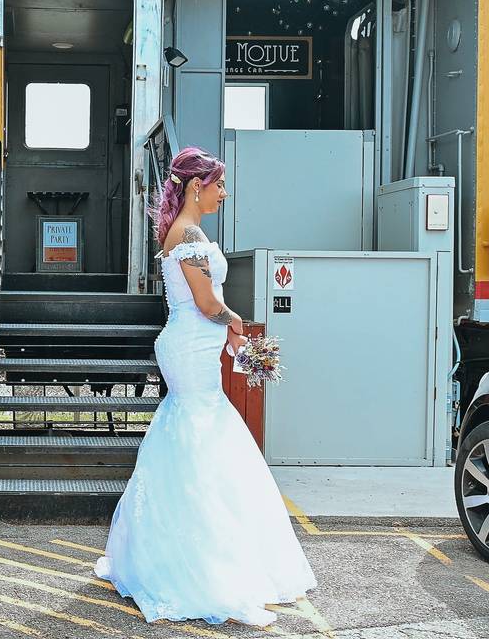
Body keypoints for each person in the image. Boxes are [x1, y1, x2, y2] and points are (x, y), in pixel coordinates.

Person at [95, 147, 316, 626]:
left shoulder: (185, 232)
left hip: (193, 346)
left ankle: (189, 550)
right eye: (219, 184)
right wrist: (237, 322)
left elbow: (204, 306)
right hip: (191, 348)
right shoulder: (189, 234)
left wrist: (231, 337)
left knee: (193, 436)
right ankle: (203, 567)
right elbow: (205, 301)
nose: (224, 192)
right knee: (202, 438)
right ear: (198, 186)